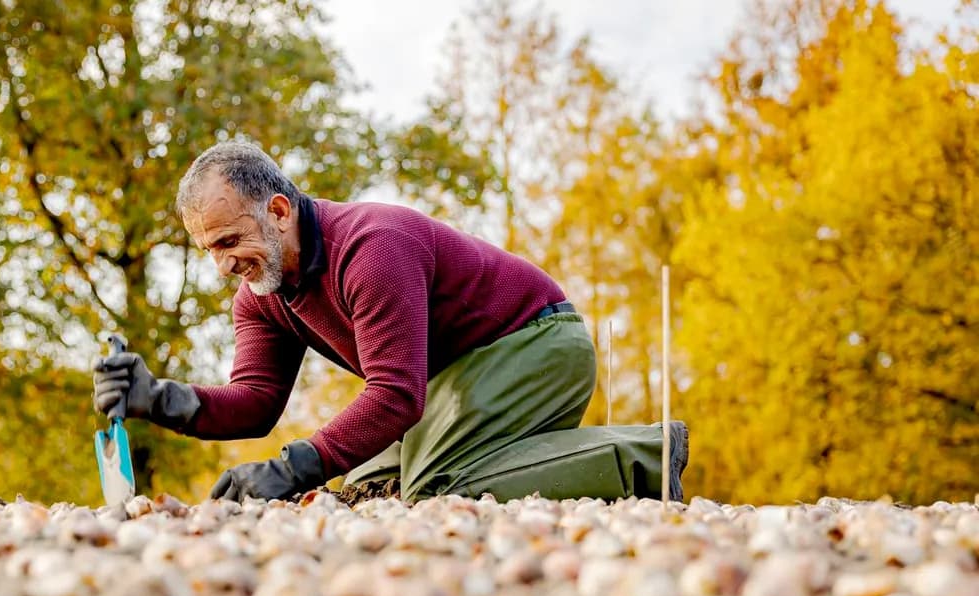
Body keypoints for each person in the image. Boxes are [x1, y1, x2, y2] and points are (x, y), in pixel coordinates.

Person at [93, 141, 688, 503]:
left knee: (436, 485)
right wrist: (161, 399)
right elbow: (256, 401)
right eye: (209, 250)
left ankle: (648, 455)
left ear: (278, 211)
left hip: (538, 342)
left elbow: (397, 395)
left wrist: (291, 467)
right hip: (456, 379)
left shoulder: (372, 245)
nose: (223, 265)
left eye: (229, 241)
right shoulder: (261, 293)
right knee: (369, 491)